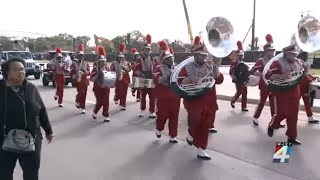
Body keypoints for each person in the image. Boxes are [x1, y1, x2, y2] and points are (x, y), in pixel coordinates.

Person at [0, 58, 54, 180]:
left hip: (31, 139)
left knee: (31, 174)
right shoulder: (1, 89)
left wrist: (49, 131)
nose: (21, 72)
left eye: (22, 69)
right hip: (3, 140)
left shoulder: (31, 88)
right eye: (16, 69)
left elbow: (41, 110)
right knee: (4, 174)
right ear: (7, 72)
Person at [178, 36, 224, 160]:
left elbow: (219, 80)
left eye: (205, 55)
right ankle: (191, 134)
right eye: (202, 55)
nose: (204, 57)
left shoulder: (210, 65)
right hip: (194, 100)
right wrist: (189, 79)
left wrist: (216, 68)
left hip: (208, 100)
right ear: (196, 55)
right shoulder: (186, 67)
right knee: (195, 122)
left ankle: (202, 149)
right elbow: (179, 82)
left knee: (205, 125)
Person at [265, 44, 306, 145]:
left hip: (295, 91)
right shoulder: (277, 63)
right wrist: (281, 75)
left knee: (293, 115)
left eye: (295, 54)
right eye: (292, 54)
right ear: (286, 54)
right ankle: (272, 125)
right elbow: (268, 76)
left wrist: (306, 70)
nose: (294, 56)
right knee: (281, 113)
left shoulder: (298, 62)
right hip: (282, 92)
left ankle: (291, 137)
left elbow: (302, 75)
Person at [153, 48, 180, 143]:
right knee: (162, 115)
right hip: (163, 96)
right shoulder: (158, 67)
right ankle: (159, 129)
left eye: (172, 58)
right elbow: (156, 80)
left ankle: (173, 135)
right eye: (169, 58)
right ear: (164, 60)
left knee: (174, 115)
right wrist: (166, 76)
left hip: (175, 96)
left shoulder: (177, 67)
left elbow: (181, 79)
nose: (171, 60)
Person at [249, 34, 277, 126]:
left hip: (273, 84)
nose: (272, 52)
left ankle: (274, 120)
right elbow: (252, 71)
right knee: (262, 101)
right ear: (266, 51)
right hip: (264, 84)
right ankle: (256, 117)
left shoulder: (275, 61)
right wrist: (262, 74)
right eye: (270, 51)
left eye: (273, 50)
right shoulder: (261, 61)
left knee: (274, 103)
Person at [132, 34, 156, 118]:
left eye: (149, 50)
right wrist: (141, 73)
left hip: (151, 78)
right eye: (146, 49)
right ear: (143, 50)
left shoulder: (152, 59)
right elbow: (135, 70)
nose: (147, 51)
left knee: (152, 96)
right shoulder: (139, 59)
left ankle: (151, 111)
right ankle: (142, 110)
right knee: (143, 96)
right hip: (143, 78)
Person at [90, 46, 111, 122]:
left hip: (106, 87)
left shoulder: (107, 69)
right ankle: (95, 111)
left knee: (106, 101)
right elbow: (91, 79)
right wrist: (97, 74)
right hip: (97, 88)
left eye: (103, 61)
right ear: (98, 62)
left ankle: (106, 115)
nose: (102, 63)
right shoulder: (95, 69)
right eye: (101, 61)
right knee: (100, 102)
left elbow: (110, 77)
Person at [298, 51, 319, 124]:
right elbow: (303, 75)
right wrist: (311, 78)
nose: (307, 57)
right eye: (306, 55)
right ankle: (291, 116)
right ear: (302, 56)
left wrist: (313, 78)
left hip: (304, 86)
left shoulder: (303, 62)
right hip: (301, 85)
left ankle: (310, 117)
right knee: (299, 102)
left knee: (306, 101)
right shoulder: (300, 62)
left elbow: (306, 74)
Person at [206, 53, 224, 133]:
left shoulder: (212, 66)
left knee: (212, 107)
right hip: (200, 91)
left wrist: (215, 67)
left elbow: (219, 80)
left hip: (211, 91)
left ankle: (210, 125)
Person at [70, 44, 90, 114]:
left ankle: (83, 107)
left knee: (84, 94)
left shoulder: (86, 64)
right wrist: (74, 76)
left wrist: (85, 71)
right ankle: (77, 100)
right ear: (77, 57)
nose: (81, 57)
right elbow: (72, 72)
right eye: (80, 56)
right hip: (78, 80)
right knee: (81, 93)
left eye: (82, 56)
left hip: (84, 80)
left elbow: (88, 72)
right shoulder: (74, 64)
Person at [110, 43, 131, 110]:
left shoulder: (126, 63)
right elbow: (111, 71)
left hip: (126, 78)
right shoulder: (114, 63)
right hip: (118, 78)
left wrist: (125, 67)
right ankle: (116, 97)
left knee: (125, 92)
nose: (120, 58)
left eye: (121, 57)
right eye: (119, 57)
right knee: (120, 90)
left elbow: (129, 69)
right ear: (117, 57)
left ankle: (123, 104)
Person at [229, 41, 248, 111]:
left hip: (244, 79)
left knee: (245, 92)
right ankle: (233, 101)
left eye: (241, 55)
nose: (241, 57)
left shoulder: (244, 63)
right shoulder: (234, 62)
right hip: (237, 79)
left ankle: (244, 106)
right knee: (239, 92)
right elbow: (231, 71)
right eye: (239, 55)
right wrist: (234, 77)